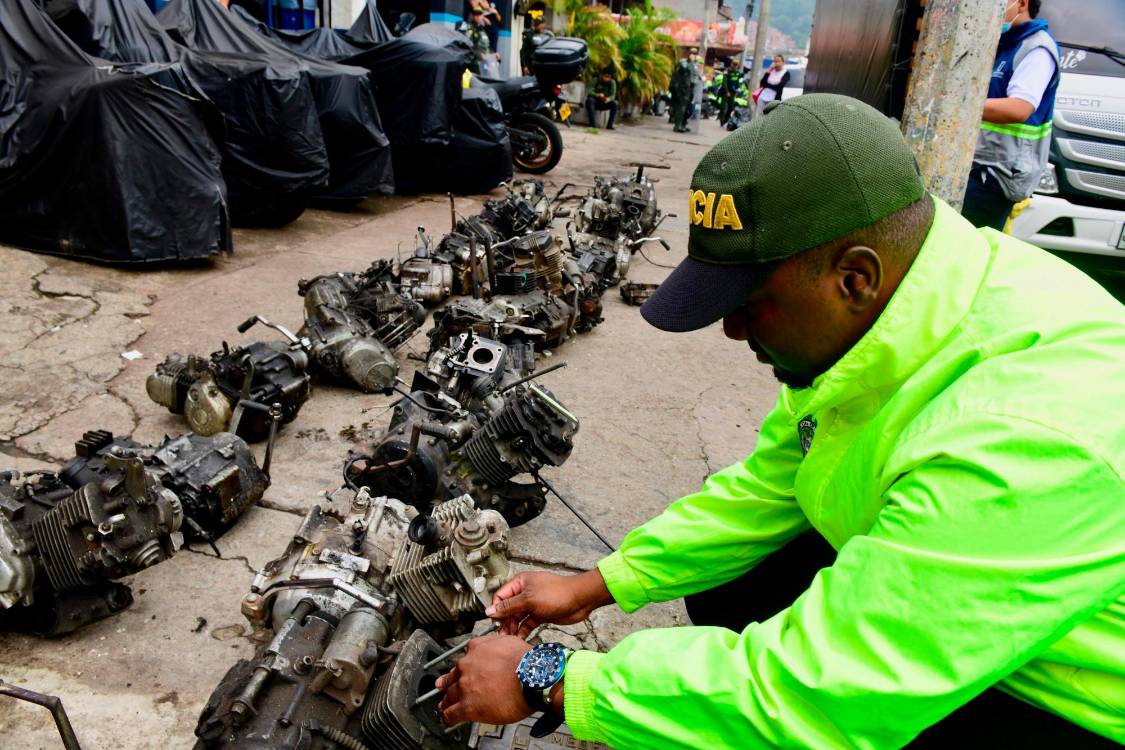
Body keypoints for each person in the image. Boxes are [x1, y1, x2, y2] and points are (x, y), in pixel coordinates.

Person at [433, 94, 1125, 749]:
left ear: (854, 279)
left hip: (1065, 704)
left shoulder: (1025, 436)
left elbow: (826, 690)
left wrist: (548, 679)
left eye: (749, 302)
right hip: (982, 628)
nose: (731, 329)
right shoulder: (900, 316)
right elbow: (770, 485)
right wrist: (597, 585)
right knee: (736, 573)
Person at [962, 0, 1059, 230]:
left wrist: (960, 105)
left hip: (997, 175)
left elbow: (1020, 108)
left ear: (1022, 3)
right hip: (981, 167)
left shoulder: (1037, 48)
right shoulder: (1006, 44)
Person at [669, 56, 695, 133]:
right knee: (681, 107)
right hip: (681, 90)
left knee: (685, 108)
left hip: (685, 89)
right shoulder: (684, 65)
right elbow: (685, 69)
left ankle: (682, 124)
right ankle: (678, 125)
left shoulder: (688, 67)